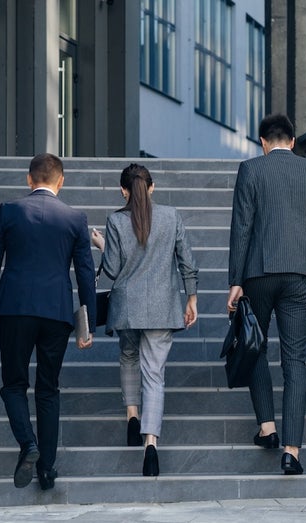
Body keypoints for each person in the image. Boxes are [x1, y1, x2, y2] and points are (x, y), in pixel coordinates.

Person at [227, 113, 306, 475]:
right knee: (295, 359)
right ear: (292, 141)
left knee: (255, 345)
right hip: (301, 273)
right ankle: (292, 451)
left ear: (263, 142)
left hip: (258, 272)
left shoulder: (250, 169)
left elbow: (242, 228)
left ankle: (267, 428)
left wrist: (235, 280)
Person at [0, 153, 96, 491]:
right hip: (56, 312)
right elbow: (85, 274)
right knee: (48, 388)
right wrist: (87, 325)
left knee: (14, 384)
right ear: (61, 181)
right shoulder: (75, 218)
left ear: (29, 180)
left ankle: (28, 443)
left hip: (14, 308)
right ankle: (46, 470)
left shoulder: (9, 211)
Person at [91, 163, 199, 477]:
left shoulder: (116, 221)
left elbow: (112, 270)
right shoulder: (171, 216)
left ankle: (132, 416)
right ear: (152, 188)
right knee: (154, 375)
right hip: (163, 307)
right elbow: (187, 261)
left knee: (128, 356)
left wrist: (102, 245)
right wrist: (191, 297)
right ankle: (150, 444)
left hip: (127, 307)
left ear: (123, 191)